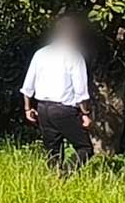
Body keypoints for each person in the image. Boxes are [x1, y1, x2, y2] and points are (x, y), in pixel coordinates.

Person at [20, 14, 95, 175]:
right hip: (63, 109)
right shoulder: (74, 56)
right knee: (85, 148)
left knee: (53, 151)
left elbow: (27, 87)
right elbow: (81, 91)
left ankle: (54, 179)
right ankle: (65, 175)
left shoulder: (41, 54)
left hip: (43, 108)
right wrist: (86, 114)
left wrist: (27, 109)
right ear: (73, 34)